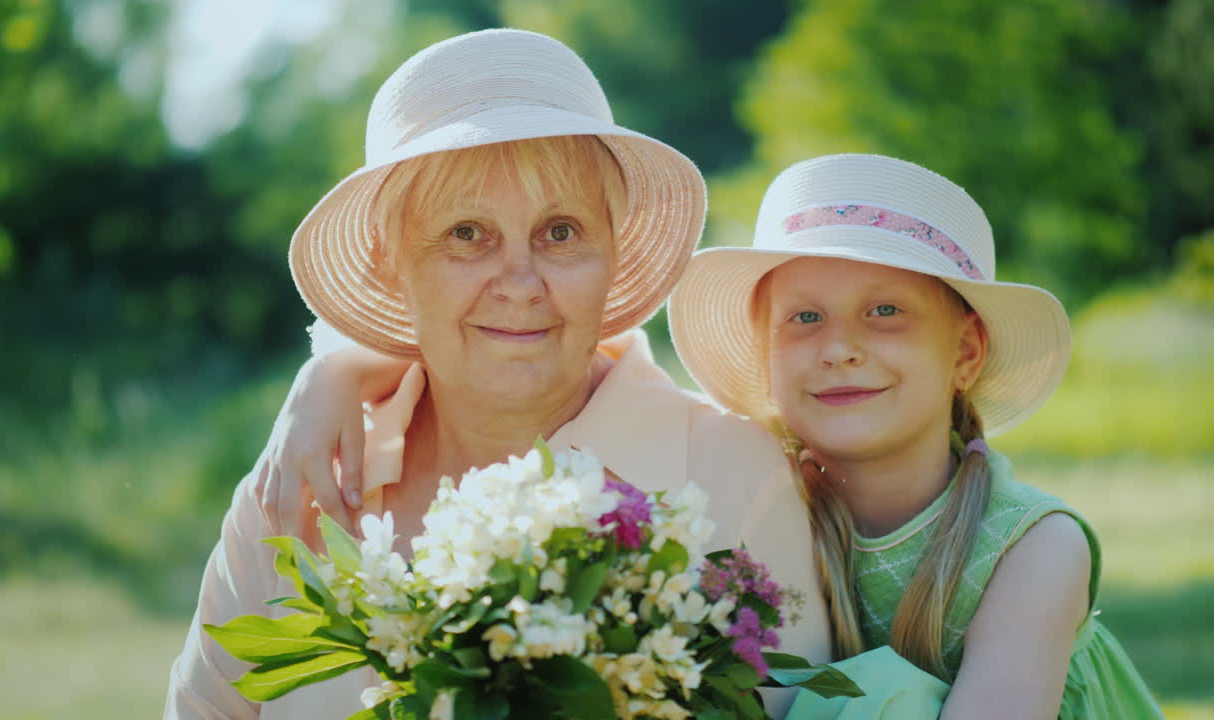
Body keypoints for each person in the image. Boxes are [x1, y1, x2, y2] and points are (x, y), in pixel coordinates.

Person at [164, 29, 829, 719]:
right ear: (392, 263)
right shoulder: (299, 491)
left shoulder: (732, 474)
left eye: (561, 232)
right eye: (466, 234)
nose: (519, 282)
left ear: (613, 252)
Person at [667, 153, 1165, 718]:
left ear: (965, 353)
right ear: (766, 356)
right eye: (804, 318)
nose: (838, 349)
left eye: (884, 310)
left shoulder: (1032, 548)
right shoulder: (753, 508)